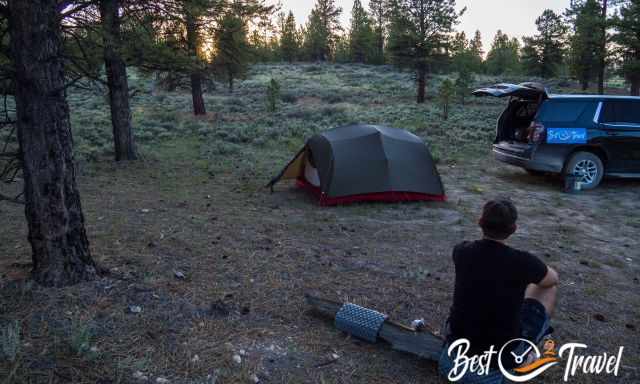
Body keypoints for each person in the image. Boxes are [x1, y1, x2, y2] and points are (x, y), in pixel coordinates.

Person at [438, 199, 559, 383]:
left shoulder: (461, 251)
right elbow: (552, 279)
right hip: (496, 368)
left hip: (451, 359)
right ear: (513, 229)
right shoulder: (523, 262)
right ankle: (528, 351)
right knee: (546, 288)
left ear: (480, 222)